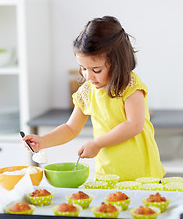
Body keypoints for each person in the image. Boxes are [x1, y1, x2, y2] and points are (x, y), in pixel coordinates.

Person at [22, 16, 165, 181]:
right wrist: (43, 141)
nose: (88, 76)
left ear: (117, 63)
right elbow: (71, 128)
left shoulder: (130, 85)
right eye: (83, 68)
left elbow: (134, 125)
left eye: (96, 70)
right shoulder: (87, 92)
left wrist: (97, 144)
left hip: (143, 174)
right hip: (108, 174)